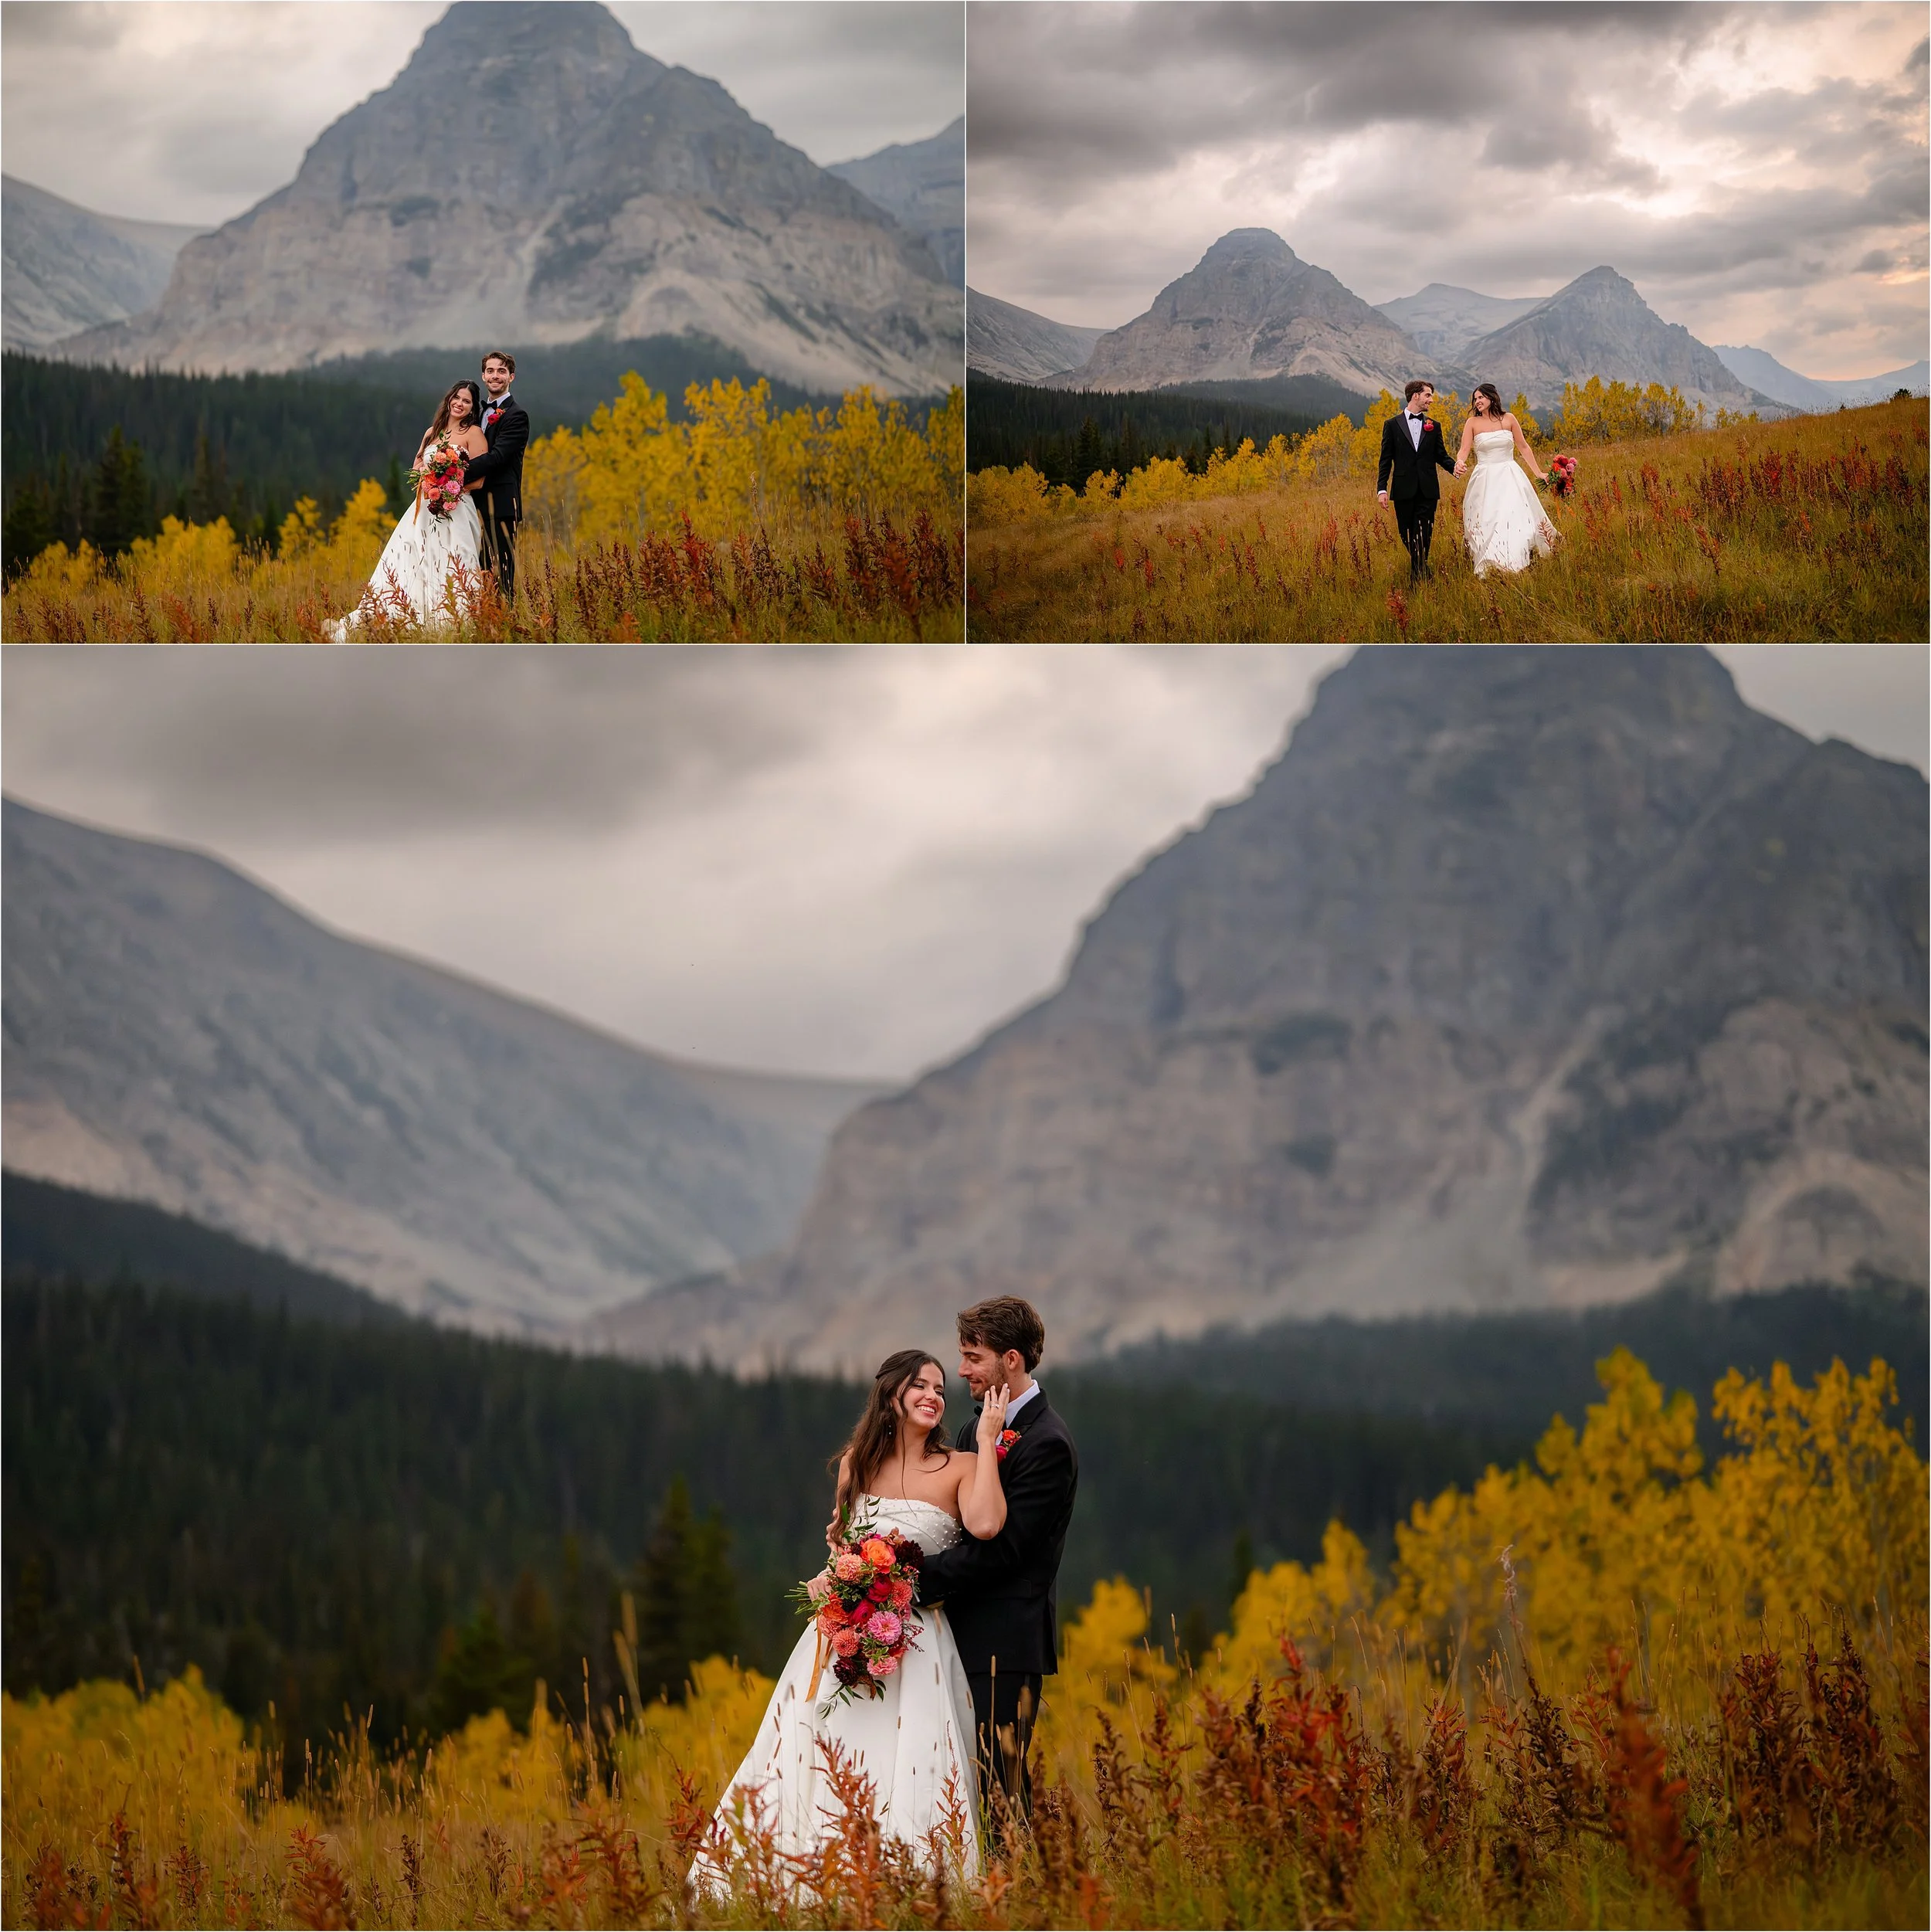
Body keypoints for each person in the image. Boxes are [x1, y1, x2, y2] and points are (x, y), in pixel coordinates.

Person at [701, 1350, 1011, 1879]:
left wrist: (986, 1440)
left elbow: (985, 1525)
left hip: (919, 1641)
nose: (933, 1396)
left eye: (940, 1389)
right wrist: (829, 1576)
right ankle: (816, 1873)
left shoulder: (960, 1465)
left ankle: (912, 1880)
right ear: (892, 1393)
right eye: (921, 1385)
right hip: (844, 1632)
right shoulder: (856, 1465)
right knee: (828, 1750)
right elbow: (844, 1550)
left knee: (913, 1759)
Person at [915, 1295, 1078, 1839]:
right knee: (956, 1778)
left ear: (1011, 1359)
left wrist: (913, 1579)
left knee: (998, 1781)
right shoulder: (973, 1432)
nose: (961, 1370)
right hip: (953, 1634)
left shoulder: (1048, 1443)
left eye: (973, 1357)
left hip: (1007, 1643)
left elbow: (1006, 1552)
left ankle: (1019, 1885)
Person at [327, 379, 486, 638]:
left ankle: (453, 622)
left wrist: (449, 485)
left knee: (454, 561)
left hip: (457, 509)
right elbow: (417, 468)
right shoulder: (431, 432)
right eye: (456, 398)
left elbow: (479, 480)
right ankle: (407, 615)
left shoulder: (474, 434)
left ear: (472, 407)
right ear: (449, 399)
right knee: (412, 559)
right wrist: (430, 479)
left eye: (466, 401)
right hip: (425, 509)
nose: (460, 404)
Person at [1453, 382, 1559, 576]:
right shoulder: (1472, 423)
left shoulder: (1509, 418)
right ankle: (1492, 558)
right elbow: (1464, 449)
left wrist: (1538, 473)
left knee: (1512, 515)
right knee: (1490, 519)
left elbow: (1524, 447)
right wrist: (1459, 462)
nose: (1477, 402)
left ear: (1492, 397)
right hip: (1485, 479)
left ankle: (1518, 555)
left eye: (1481, 397)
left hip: (1510, 475)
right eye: (1475, 399)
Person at [1376, 379, 1458, 585]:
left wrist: (1455, 468)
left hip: (1428, 489)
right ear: (1415, 396)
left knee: (1424, 533)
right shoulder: (1391, 425)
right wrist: (1381, 489)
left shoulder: (1434, 426)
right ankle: (1423, 570)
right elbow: (1385, 460)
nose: (1431, 400)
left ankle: (1417, 579)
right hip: (1403, 489)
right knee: (1406, 533)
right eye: (1428, 395)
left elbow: (1441, 455)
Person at [464, 350, 528, 605]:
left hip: (501, 505)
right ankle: (481, 618)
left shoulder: (516, 416)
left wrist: (457, 472)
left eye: (502, 371)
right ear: (483, 376)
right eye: (490, 371)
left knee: (500, 571)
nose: (495, 376)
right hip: (471, 503)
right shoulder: (476, 413)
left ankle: (506, 620)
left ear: (511, 377)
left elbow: (498, 457)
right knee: (476, 569)